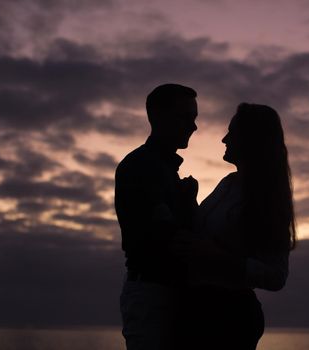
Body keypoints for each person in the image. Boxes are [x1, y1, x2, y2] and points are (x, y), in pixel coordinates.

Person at [177, 103, 297, 350]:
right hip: (197, 309)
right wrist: (189, 203)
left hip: (230, 317)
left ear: (251, 139)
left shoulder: (267, 197)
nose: (224, 139)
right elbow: (203, 236)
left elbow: (276, 276)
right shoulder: (228, 183)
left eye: (232, 132)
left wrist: (220, 258)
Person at [115, 83, 198, 350]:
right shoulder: (140, 167)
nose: (193, 126)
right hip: (152, 293)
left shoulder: (161, 169)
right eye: (186, 117)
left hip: (165, 293)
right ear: (159, 117)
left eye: (193, 118)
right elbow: (164, 236)